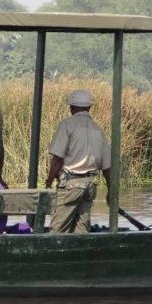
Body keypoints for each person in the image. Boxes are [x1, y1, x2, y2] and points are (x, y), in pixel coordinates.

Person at [45, 89, 111, 233]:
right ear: (89, 107)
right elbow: (107, 167)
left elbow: (57, 159)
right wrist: (110, 190)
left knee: (58, 230)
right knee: (82, 229)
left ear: (71, 107)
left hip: (71, 185)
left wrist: (49, 182)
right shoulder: (97, 130)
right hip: (90, 186)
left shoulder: (67, 125)